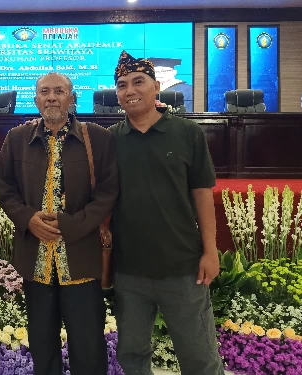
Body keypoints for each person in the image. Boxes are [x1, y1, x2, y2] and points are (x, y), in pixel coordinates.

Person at [0, 72, 119, 375]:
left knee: (88, 341)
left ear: (71, 97)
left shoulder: (97, 138)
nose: (52, 97)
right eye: (45, 91)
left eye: (59, 91)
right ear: (36, 99)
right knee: (41, 339)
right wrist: (28, 219)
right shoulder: (17, 139)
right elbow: (6, 188)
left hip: (81, 256)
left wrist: (71, 225)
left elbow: (108, 192)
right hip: (35, 259)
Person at [110, 50, 223, 375]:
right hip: (129, 271)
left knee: (200, 357)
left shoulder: (188, 133)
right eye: (121, 85)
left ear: (156, 87)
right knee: (132, 356)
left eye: (138, 82)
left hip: (183, 268)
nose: (129, 90)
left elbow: (202, 195)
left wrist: (210, 251)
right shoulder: (112, 139)